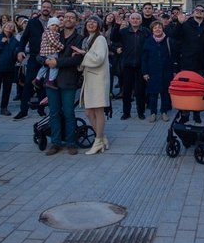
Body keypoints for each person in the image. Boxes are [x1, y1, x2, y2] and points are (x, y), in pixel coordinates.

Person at [43, 12, 84, 155]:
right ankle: (55, 142)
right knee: (53, 113)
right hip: (51, 81)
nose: (68, 19)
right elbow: (40, 53)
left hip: (68, 80)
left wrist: (57, 62)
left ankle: (71, 142)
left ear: (77, 22)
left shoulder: (79, 39)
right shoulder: (53, 34)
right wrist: (45, 61)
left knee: (68, 112)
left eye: (72, 17)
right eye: (66, 17)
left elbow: (77, 60)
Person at [75, 16, 110, 154]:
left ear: (99, 26)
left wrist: (83, 54)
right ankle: (102, 138)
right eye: (89, 22)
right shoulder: (87, 39)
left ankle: (98, 141)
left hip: (98, 79)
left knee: (98, 111)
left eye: (94, 22)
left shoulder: (100, 39)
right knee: (89, 112)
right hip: (90, 79)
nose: (91, 24)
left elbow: (98, 59)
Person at [15, 0, 52, 120]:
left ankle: (41, 109)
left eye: (48, 7)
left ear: (51, 9)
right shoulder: (32, 22)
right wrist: (20, 50)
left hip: (48, 58)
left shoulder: (53, 22)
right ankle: (23, 110)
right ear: (41, 8)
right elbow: (24, 38)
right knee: (28, 84)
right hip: (34, 57)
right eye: (44, 6)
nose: (46, 8)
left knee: (42, 84)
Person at [112, 12, 151, 120]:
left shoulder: (146, 32)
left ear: (141, 21)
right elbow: (114, 38)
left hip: (140, 65)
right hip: (127, 64)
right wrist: (117, 25)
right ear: (129, 20)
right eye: (132, 18)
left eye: (137, 19)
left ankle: (140, 112)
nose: (135, 20)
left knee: (140, 91)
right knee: (126, 91)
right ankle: (126, 112)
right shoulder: (124, 32)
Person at [142, 20, 177, 123]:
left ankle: (164, 111)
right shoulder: (148, 41)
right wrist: (145, 72)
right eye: (155, 28)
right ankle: (153, 113)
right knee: (153, 94)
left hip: (166, 71)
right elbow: (144, 58)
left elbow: (174, 57)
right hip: (152, 72)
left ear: (163, 29)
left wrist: (174, 70)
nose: (157, 29)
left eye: (159, 27)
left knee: (165, 93)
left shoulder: (168, 40)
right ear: (152, 30)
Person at [0, 20, 21, 117]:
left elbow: (17, 51)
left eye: (11, 26)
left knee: (7, 89)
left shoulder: (15, 40)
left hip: (10, 68)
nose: (9, 27)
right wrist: (1, 43)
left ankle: (4, 108)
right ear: (4, 27)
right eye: (8, 26)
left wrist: (19, 55)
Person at [35, 17, 63, 88]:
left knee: (45, 66)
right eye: (53, 25)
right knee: (54, 66)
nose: (55, 27)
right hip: (51, 52)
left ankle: (37, 79)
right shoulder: (49, 32)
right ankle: (51, 81)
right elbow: (52, 42)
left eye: (57, 26)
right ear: (49, 26)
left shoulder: (50, 32)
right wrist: (62, 46)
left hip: (46, 52)